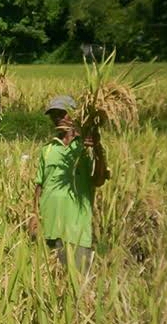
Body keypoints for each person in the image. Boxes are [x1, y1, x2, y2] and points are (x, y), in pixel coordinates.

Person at [28, 95, 109, 272]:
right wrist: (34, 215)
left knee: (77, 284)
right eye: (53, 115)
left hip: (76, 230)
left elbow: (98, 180)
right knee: (48, 284)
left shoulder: (86, 147)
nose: (57, 118)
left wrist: (97, 149)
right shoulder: (48, 149)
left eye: (62, 113)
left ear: (75, 115)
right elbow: (39, 186)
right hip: (48, 227)